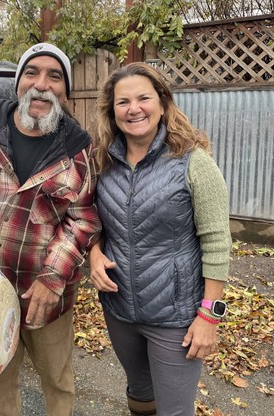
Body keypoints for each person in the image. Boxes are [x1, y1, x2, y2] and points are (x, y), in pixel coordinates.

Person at [0, 43, 101, 416]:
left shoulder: (78, 149)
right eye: (32, 73)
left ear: (65, 92)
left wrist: (52, 278)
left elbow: (84, 219)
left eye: (54, 77)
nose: (41, 84)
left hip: (49, 300)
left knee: (58, 385)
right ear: (18, 82)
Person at [89, 62, 232, 416]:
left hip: (176, 317)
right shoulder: (102, 162)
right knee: (139, 392)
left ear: (163, 103)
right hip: (119, 309)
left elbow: (217, 243)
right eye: (123, 102)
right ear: (112, 111)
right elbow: (90, 221)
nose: (133, 108)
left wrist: (209, 318)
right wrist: (92, 253)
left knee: (174, 410)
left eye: (143, 98)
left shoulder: (193, 162)